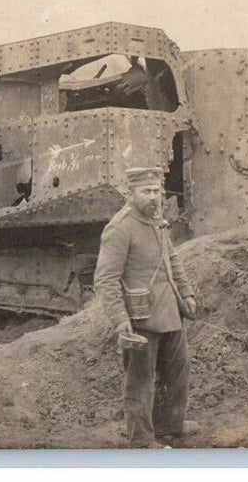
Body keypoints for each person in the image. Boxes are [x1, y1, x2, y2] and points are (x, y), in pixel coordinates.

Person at [94, 167, 199, 448]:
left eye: (157, 192)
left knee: (178, 370)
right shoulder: (120, 227)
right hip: (139, 317)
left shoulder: (156, 220)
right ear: (132, 193)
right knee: (140, 381)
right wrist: (119, 320)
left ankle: (170, 427)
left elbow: (172, 259)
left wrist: (186, 293)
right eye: (147, 192)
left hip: (169, 311)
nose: (154, 197)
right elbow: (105, 279)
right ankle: (141, 441)